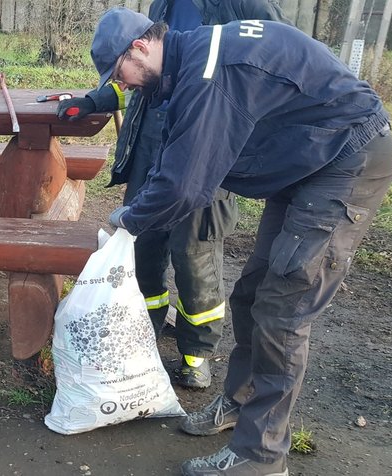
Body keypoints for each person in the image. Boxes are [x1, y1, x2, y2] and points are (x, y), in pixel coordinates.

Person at [91, 7, 392, 476]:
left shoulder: (210, 71)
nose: (124, 84)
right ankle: (242, 404)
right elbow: (176, 154)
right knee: (252, 293)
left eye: (121, 73)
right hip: (306, 162)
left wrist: (130, 219)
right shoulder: (186, 64)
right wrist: (139, 203)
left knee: (283, 309)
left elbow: (187, 186)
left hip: (345, 159)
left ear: (140, 47)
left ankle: (261, 456)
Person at [57, 0, 288, 389]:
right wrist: (99, 98)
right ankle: (142, 335)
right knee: (141, 246)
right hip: (151, 143)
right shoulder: (161, 5)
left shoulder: (244, 6)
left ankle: (195, 354)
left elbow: (268, 72)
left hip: (208, 147)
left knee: (194, 255)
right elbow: (143, 73)